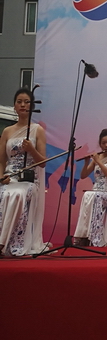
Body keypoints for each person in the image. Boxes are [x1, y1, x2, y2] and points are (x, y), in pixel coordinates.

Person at [0, 88, 48, 256]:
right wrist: (1, 176)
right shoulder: (7, 131)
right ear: (14, 106)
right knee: (4, 193)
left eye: (27, 102)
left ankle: (7, 243)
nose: (22, 105)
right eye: (19, 102)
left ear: (32, 106)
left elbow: (43, 163)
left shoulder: (37, 130)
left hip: (28, 179)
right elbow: (1, 160)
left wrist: (32, 150)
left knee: (18, 194)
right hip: (9, 177)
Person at [73, 128, 107, 247]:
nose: (106, 145)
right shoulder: (97, 158)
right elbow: (83, 175)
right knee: (87, 195)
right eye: (103, 143)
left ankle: (96, 237)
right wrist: (86, 162)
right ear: (100, 144)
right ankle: (84, 236)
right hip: (96, 190)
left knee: (97, 196)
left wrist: (98, 161)